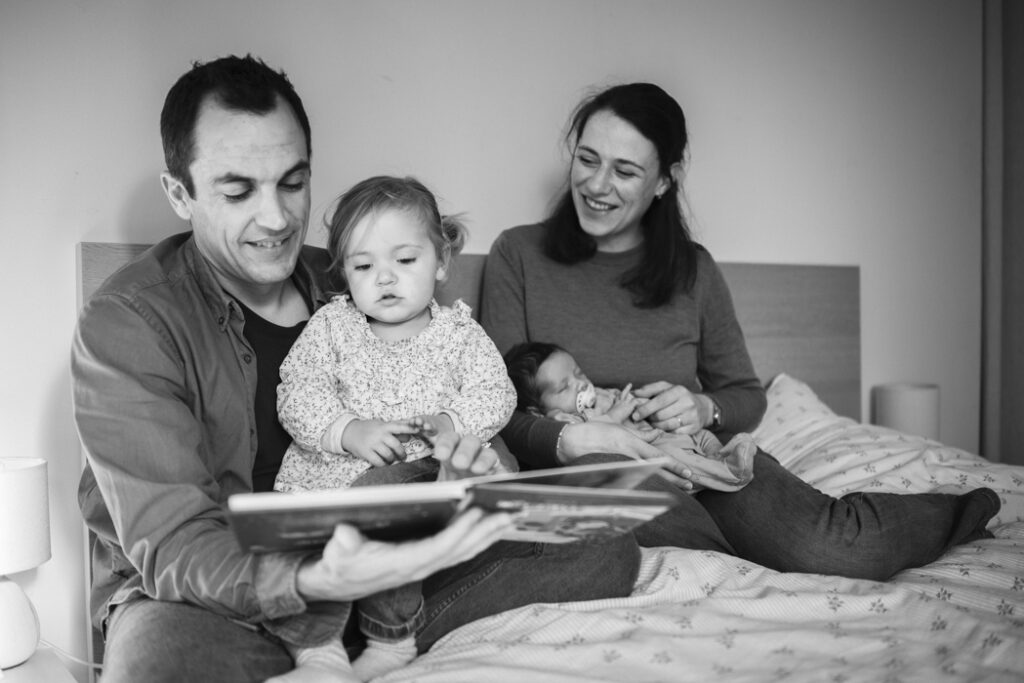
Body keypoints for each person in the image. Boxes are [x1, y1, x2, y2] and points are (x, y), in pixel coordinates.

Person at [72, 55, 639, 683]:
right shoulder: (128, 322)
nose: (277, 218)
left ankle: (382, 633)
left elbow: (476, 392)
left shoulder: (358, 271)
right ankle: (324, 635)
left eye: (292, 182)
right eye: (238, 191)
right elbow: (176, 543)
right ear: (181, 194)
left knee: (604, 544)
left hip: (393, 550)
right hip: (228, 583)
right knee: (160, 662)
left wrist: (558, 437)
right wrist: (317, 577)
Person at [480, 81, 1000, 581]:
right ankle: (716, 543)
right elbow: (495, 411)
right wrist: (576, 438)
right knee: (613, 515)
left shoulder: (693, 271)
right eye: (587, 160)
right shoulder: (518, 256)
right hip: (598, 473)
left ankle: (972, 507)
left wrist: (704, 407)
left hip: (699, 457)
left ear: (663, 180)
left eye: (625, 171)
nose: (596, 185)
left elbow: (747, 395)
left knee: (838, 549)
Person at [273, 175, 517, 680]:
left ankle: (391, 638)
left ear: (441, 261)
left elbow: (498, 393)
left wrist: (449, 423)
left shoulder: (459, 335)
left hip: (412, 484)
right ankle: (318, 653)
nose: (385, 278)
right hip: (327, 482)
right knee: (297, 540)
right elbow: (296, 391)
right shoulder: (331, 328)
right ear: (344, 274)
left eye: (405, 261)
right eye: (364, 266)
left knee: (396, 507)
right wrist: (349, 429)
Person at [503, 341, 755, 492]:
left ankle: (719, 454)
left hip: (669, 432)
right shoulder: (564, 420)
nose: (580, 384)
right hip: (653, 450)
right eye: (563, 387)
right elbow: (599, 432)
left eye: (579, 373)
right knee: (679, 464)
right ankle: (728, 473)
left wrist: (649, 404)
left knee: (704, 437)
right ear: (537, 412)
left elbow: (746, 390)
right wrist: (616, 412)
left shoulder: (599, 394)